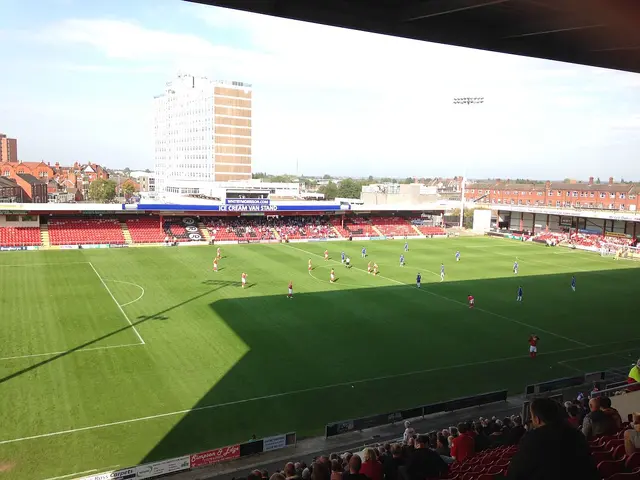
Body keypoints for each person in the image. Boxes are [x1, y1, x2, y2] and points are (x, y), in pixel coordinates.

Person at [507, 398, 598, 480]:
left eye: (532, 416)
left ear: (537, 419)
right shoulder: (576, 433)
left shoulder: (530, 440)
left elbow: (515, 473)